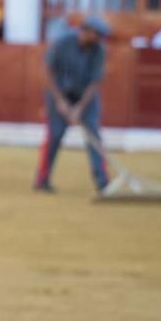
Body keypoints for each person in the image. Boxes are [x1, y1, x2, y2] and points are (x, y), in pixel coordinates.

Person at [34, 15, 111, 194]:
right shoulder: (62, 42)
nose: (99, 38)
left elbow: (94, 82)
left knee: (93, 134)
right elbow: (47, 71)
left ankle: (102, 182)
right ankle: (42, 179)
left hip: (85, 96)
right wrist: (59, 101)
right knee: (55, 135)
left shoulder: (99, 49)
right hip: (58, 93)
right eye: (97, 34)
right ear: (86, 31)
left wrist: (79, 108)